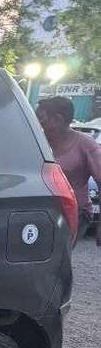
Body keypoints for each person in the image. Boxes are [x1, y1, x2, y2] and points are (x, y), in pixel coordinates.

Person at [35, 96, 101, 243]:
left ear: (57, 119)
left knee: (58, 257)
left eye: (40, 118)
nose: (36, 123)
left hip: (75, 212)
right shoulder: (38, 142)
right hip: (42, 210)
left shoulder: (85, 144)